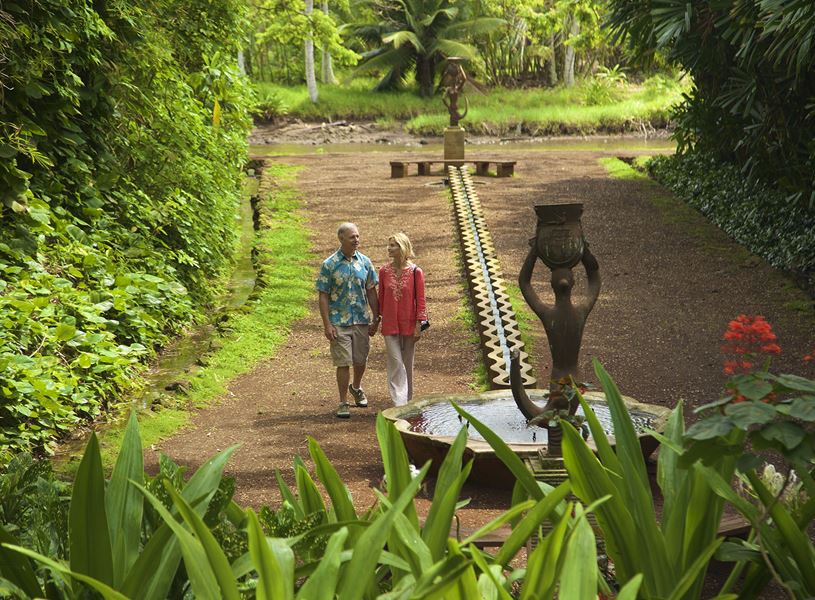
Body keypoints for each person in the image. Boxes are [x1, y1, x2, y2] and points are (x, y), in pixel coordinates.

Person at [316, 222, 380, 419]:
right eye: (352, 237)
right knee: (343, 362)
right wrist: (327, 324)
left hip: (361, 319)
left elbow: (371, 291)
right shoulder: (330, 265)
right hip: (339, 322)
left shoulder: (366, 263)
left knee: (360, 360)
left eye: (358, 236)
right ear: (341, 239)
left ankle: (356, 387)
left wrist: (376, 319)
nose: (356, 240)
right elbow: (323, 295)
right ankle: (343, 401)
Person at [378, 232, 427, 406]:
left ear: (403, 247)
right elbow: (381, 299)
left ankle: (408, 401)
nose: (389, 249)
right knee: (395, 362)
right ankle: (399, 403)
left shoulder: (416, 272)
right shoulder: (383, 271)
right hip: (390, 324)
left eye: (393, 245)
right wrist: (377, 320)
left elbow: (421, 300)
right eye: (389, 245)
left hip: (409, 324)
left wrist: (419, 325)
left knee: (407, 363)